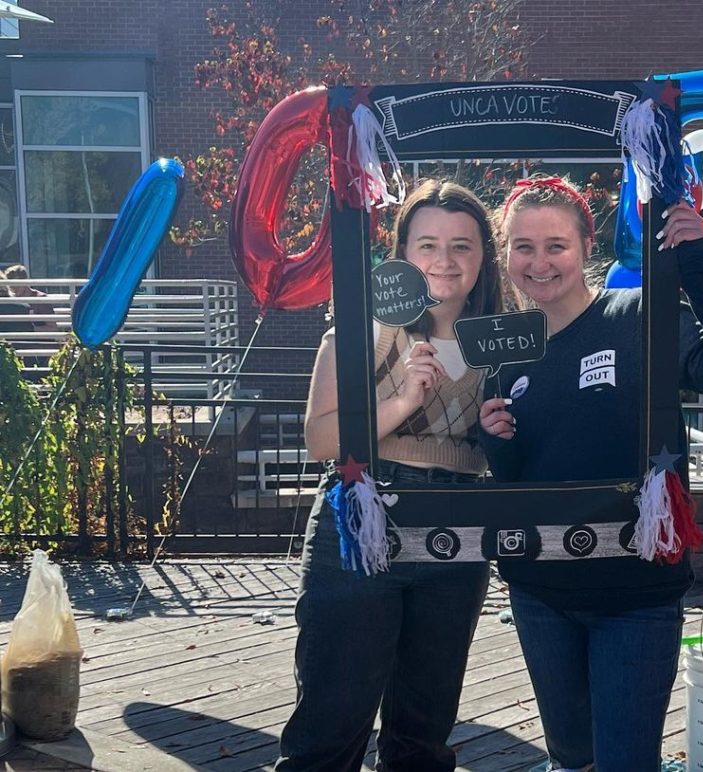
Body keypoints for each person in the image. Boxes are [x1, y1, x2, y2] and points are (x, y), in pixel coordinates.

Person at [479, 176, 703, 772]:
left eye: (556, 245)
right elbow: (518, 473)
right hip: (539, 593)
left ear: (587, 246)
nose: (540, 262)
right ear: (505, 254)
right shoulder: (507, 349)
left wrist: (694, 266)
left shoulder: (639, 314)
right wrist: (494, 439)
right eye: (523, 247)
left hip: (635, 594)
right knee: (571, 760)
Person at [276, 180, 504, 772]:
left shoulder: (505, 339)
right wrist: (402, 401)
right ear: (402, 254)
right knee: (331, 723)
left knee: (422, 735)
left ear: (484, 257)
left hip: (458, 527)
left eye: (463, 245)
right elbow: (322, 439)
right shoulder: (364, 328)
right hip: (363, 519)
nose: (444, 261)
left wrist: (499, 431)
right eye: (427, 245)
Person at [2, 264, 57, 333]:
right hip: (16, 341)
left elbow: (53, 328)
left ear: (25, 281)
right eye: (11, 286)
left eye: (17, 284)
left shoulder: (40, 299)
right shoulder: (11, 301)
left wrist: (29, 330)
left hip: (38, 341)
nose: (14, 288)